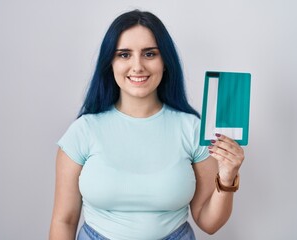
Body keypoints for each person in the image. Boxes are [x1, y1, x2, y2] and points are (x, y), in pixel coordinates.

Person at [49, 9, 245, 240]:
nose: (137, 66)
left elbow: (209, 222)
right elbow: (64, 220)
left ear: (165, 62)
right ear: (109, 63)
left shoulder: (192, 129)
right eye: (124, 54)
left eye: (149, 54)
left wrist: (227, 176)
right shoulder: (83, 131)